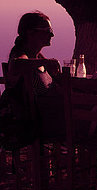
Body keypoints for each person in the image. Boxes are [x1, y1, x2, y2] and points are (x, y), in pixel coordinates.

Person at [4, 11, 63, 142]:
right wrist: (46, 63)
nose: (52, 34)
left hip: (47, 115)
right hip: (33, 123)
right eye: (47, 30)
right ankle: (69, 156)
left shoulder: (36, 55)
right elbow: (16, 64)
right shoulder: (21, 54)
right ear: (31, 33)